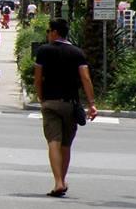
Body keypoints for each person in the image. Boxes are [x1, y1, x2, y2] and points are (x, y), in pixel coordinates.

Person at [33, 18, 98, 197]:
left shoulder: (43, 51)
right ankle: (62, 179)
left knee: (53, 141)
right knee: (66, 143)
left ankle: (58, 182)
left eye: (49, 31)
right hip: (70, 103)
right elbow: (85, 78)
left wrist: (41, 98)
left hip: (50, 102)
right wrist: (92, 104)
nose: (48, 34)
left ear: (54, 32)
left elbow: (37, 79)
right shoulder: (77, 53)